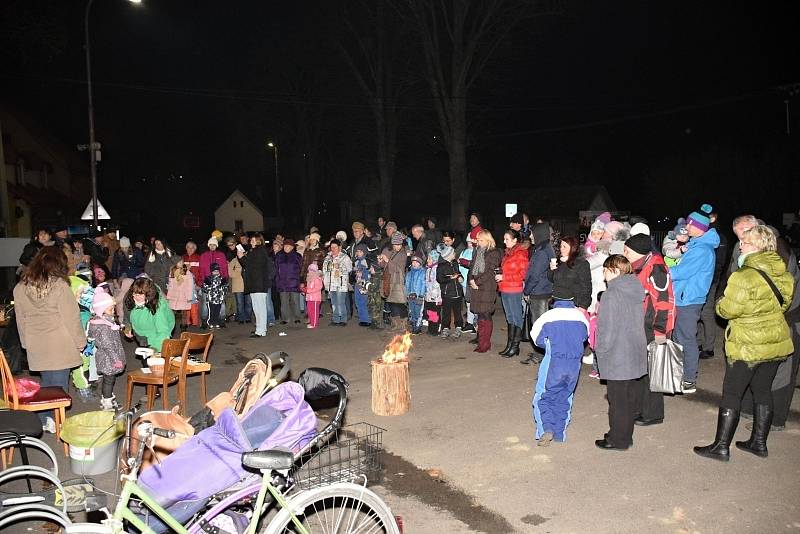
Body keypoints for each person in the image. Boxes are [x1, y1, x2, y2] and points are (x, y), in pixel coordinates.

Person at [694, 225, 794, 461]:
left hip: (748, 344)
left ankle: (721, 446)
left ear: (759, 246)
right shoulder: (783, 272)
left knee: (732, 393)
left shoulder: (743, 275)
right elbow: (783, 305)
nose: (741, 247)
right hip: (775, 340)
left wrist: (720, 303)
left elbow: (727, 310)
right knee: (762, 390)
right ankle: (759, 443)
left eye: (746, 243)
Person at [14, 246, 86, 431]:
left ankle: (44, 418)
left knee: (46, 383)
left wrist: (25, 343)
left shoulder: (20, 288)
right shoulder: (60, 286)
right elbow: (71, 317)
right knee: (59, 387)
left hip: (36, 343)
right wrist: (80, 341)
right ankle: (56, 420)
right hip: (59, 342)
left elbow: (20, 319)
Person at [594, 255, 648, 451]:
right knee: (628, 398)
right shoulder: (635, 289)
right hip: (634, 350)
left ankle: (617, 439)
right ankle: (626, 436)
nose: (604, 274)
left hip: (618, 353)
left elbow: (606, 329)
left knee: (617, 402)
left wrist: (600, 350)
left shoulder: (612, 293)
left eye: (606, 270)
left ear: (615, 271)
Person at [623, 233, 676, 426]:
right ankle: (640, 408)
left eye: (627, 251)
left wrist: (660, 332)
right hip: (641, 324)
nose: (624, 253)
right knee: (640, 370)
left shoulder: (657, 269)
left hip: (653, 327)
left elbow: (663, 303)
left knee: (652, 372)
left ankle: (653, 413)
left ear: (637, 252)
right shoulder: (641, 265)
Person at [530, 281, 590, 446]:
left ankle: (545, 429)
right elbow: (585, 337)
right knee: (565, 397)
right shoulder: (580, 317)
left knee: (544, 396)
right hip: (574, 365)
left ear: (554, 299)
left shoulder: (548, 317)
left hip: (553, 362)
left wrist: (550, 345)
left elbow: (537, 339)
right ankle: (559, 433)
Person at [669, 204, 720, 392]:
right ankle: (680, 374)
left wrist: (661, 271)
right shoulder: (697, 245)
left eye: (690, 225)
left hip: (689, 299)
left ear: (699, 227)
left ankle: (689, 379)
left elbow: (681, 272)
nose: (687, 228)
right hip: (685, 297)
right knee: (679, 337)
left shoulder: (701, 250)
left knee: (687, 339)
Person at [521, 223, 557, 364]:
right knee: (541, 325)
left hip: (540, 292)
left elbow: (535, 275)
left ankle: (542, 355)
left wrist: (527, 290)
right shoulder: (545, 248)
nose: (530, 236)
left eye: (532, 233)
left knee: (539, 326)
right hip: (544, 291)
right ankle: (541, 353)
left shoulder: (542, 251)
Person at [88, 290, 125, 410]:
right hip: (108, 358)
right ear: (101, 311)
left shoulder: (107, 322)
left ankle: (108, 398)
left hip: (108, 356)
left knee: (109, 379)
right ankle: (107, 402)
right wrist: (116, 360)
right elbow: (107, 345)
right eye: (110, 309)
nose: (113, 311)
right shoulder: (103, 326)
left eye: (113, 308)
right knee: (109, 381)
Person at [468, 230, 503, 353]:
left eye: (481, 240)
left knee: (485, 314)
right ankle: (481, 340)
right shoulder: (478, 251)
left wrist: (476, 282)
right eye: (478, 240)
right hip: (477, 286)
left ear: (488, 240)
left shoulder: (493, 253)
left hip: (487, 287)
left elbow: (490, 271)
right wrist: (471, 280)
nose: (478, 242)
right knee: (480, 314)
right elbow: (472, 267)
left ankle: (484, 344)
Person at [497, 229, 529, 357]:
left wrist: (504, 277)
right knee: (510, 317)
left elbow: (523, 275)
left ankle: (515, 346)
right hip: (505, 288)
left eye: (507, 239)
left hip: (514, 289)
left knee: (516, 317)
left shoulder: (520, 254)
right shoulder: (508, 253)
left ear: (515, 240)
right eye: (504, 239)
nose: (504, 242)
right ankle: (510, 345)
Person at [124, 277, 175, 354]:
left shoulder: (157, 306)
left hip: (156, 334)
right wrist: (127, 328)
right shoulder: (129, 299)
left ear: (148, 294)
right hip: (140, 334)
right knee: (145, 357)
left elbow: (163, 331)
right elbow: (127, 318)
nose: (137, 297)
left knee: (153, 360)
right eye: (135, 293)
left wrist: (154, 349)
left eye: (141, 295)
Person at [238, 233, 274, 338]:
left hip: (259, 283)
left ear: (259, 241)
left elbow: (253, 266)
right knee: (256, 308)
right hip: (254, 283)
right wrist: (242, 257)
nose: (252, 242)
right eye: (251, 240)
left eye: (254, 240)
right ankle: (260, 329)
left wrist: (242, 258)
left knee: (260, 308)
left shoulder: (260, 251)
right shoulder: (253, 251)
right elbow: (249, 265)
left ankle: (261, 330)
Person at [548, 236, 592, 310]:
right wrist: (551, 269)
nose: (561, 249)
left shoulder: (581, 263)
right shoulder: (559, 261)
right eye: (561, 246)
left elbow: (586, 286)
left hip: (572, 303)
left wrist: (583, 306)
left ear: (572, 248)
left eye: (564, 246)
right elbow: (552, 279)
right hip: (556, 302)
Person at [378, 232, 408, 331]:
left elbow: (398, 268)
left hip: (398, 279)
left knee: (400, 301)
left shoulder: (403, 253)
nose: (397, 247)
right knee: (391, 301)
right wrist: (380, 261)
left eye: (399, 244)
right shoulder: (386, 250)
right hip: (388, 279)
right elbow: (382, 266)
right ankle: (395, 324)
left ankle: (403, 324)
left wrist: (388, 261)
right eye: (395, 244)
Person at [436, 245, 465, 339]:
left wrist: (461, 278)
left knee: (457, 312)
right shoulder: (441, 267)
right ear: (448, 255)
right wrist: (450, 278)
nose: (455, 254)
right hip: (447, 294)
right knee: (446, 312)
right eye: (453, 253)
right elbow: (439, 279)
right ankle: (445, 328)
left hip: (457, 293)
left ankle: (458, 327)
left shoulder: (455, 263)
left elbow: (459, 273)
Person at [323, 240, 353, 327]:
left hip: (341, 284)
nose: (333, 249)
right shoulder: (328, 257)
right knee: (333, 303)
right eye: (331, 247)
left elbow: (350, 269)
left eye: (335, 247)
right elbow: (325, 270)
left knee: (340, 302)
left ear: (339, 247)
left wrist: (340, 267)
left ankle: (343, 319)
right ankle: (335, 319)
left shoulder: (345, 257)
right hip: (331, 284)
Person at [275, 239, 303, 325]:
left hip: (294, 282)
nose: (286, 247)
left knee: (295, 301)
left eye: (288, 246)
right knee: (284, 302)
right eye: (285, 245)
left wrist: (301, 280)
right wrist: (277, 280)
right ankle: (285, 318)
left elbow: (301, 269)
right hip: (282, 282)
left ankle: (297, 317)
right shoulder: (279, 255)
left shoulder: (297, 256)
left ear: (292, 247)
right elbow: (276, 269)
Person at [166, 260, 195, 332]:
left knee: (184, 312)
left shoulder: (187, 273)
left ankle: (183, 326)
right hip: (174, 295)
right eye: (178, 262)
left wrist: (189, 297)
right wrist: (169, 296)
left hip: (183, 295)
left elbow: (190, 286)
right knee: (172, 312)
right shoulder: (172, 272)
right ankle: (171, 326)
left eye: (181, 262)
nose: (180, 263)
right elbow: (170, 285)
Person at [182, 241, 202, 329]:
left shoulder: (199, 258)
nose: (190, 249)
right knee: (186, 304)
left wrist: (199, 283)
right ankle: (187, 321)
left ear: (195, 249)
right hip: (184, 285)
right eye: (188, 247)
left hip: (196, 285)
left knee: (196, 304)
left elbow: (202, 271)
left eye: (192, 247)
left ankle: (196, 322)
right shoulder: (182, 258)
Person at [458, 236, 476, 333]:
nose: (469, 244)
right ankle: (470, 322)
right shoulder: (464, 251)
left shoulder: (476, 252)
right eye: (468, 242)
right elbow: (459, 263)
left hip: (471, 281)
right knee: (468, 303)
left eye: (471, 242)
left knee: (472, 303)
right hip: (464, 281)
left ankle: (473, 323)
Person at [405, 253, 426, 334]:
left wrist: (421, 295)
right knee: (412, 311)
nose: (414, 263)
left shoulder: (423, 272)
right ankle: (414, 324)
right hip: (411, 296)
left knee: (418, 311)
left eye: (416, 262)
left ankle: (418, 326)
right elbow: (407, 283)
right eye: (413, 262)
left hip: (418, 296)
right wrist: (407, 293)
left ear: (420, 263)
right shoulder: (409, 273)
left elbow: (423, 284)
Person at [202, 263, 228, 329]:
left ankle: (216, 323)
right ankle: (211, 323)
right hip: (211, 299)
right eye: (214, 271)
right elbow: (205, 288)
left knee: (217, 311)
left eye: (217, 271)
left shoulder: (222, 279)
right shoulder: (208, 279)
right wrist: (208, 286)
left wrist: (224, 290)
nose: (216, 272)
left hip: (219, 299)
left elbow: (225, 288)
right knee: (211, 312)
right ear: (211, 271)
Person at [352, 243, 372, 327]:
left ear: (364, 252)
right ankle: (362, 318)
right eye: (357, 251)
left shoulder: (366, 261)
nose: (358, 253)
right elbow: (354, 273)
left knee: (364, 301)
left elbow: (370, 273)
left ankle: (367, 319)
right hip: (358, 284)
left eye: (360, 251)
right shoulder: (356, 261)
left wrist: (364, 273)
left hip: (364, 283)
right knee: (358, 301)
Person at [228, 248, 250, 324]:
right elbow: (230, 272)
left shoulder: (248, 259)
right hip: (237, 285)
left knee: (248, 302)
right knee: (239, 303)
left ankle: (248, 317)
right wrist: (240, 273)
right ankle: (241, 318)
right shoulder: (234, 261)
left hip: (248, 285)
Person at [424, 250, 443, 336]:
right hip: (429, 296)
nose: (427, 260)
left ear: (435, 260)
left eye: (430, 259)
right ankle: (431, 328)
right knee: (430, 312)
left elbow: (438, 284)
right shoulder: (428, 269)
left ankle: (436, 329)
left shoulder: (437, 269)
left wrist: (435, 295)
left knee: (435, 313)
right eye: (428, 258)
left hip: (436, 297)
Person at [304, 264, 324, 328]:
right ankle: (311, 322)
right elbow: (308, 287)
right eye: (309, 270)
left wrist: (308, 291)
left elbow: (318, 288)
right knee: (309, 310)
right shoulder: (309, 278)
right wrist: (305, 291)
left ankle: (314, 323)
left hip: (315, 298)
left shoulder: (317, 279)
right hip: (309, 298)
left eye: (311, 270)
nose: (310, 272)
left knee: (314, 311)